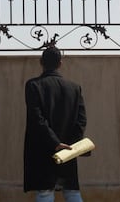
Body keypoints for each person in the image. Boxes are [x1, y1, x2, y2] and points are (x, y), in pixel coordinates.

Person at [23, 46, 87, 202]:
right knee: (71, 191)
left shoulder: (34, 85)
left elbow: (37, 119)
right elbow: (81, 120)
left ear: (41, 62)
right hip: (68, 151)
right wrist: (70, 145)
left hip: (42, 148)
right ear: (60, 63)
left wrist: (55, 143)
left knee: (45, 192)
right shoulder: (74, 88)